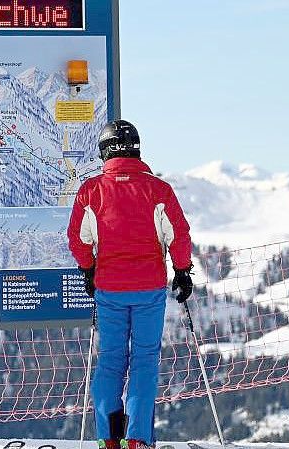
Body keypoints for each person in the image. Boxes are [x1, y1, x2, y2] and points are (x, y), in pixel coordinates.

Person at [67, 119, 194, 449]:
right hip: (149, 288)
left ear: (104, 152)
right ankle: (137, 438)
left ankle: (109, 437)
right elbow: (178, 236)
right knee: (144, 360)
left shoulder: (90, 190)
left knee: (110, 360)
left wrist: (89, 271)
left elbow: (78, 241)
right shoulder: (158, 190)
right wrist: (182, 272)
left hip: (109, 289)